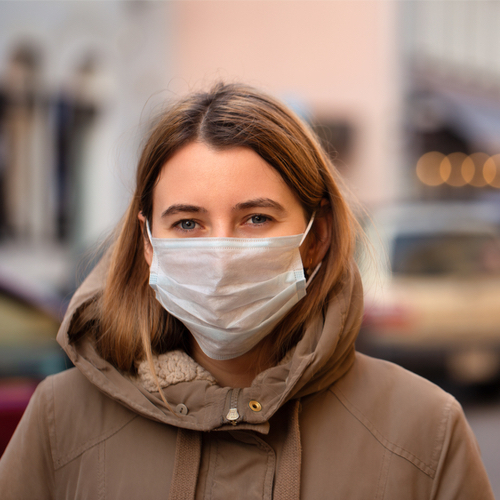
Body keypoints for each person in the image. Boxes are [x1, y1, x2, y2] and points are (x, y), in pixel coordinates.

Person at [0, 82, 494, 499]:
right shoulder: (59, 420)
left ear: (315, 237)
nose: (220, 254)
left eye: (256, 218)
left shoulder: (424, 431)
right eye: (189, 223)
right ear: (148, 242)